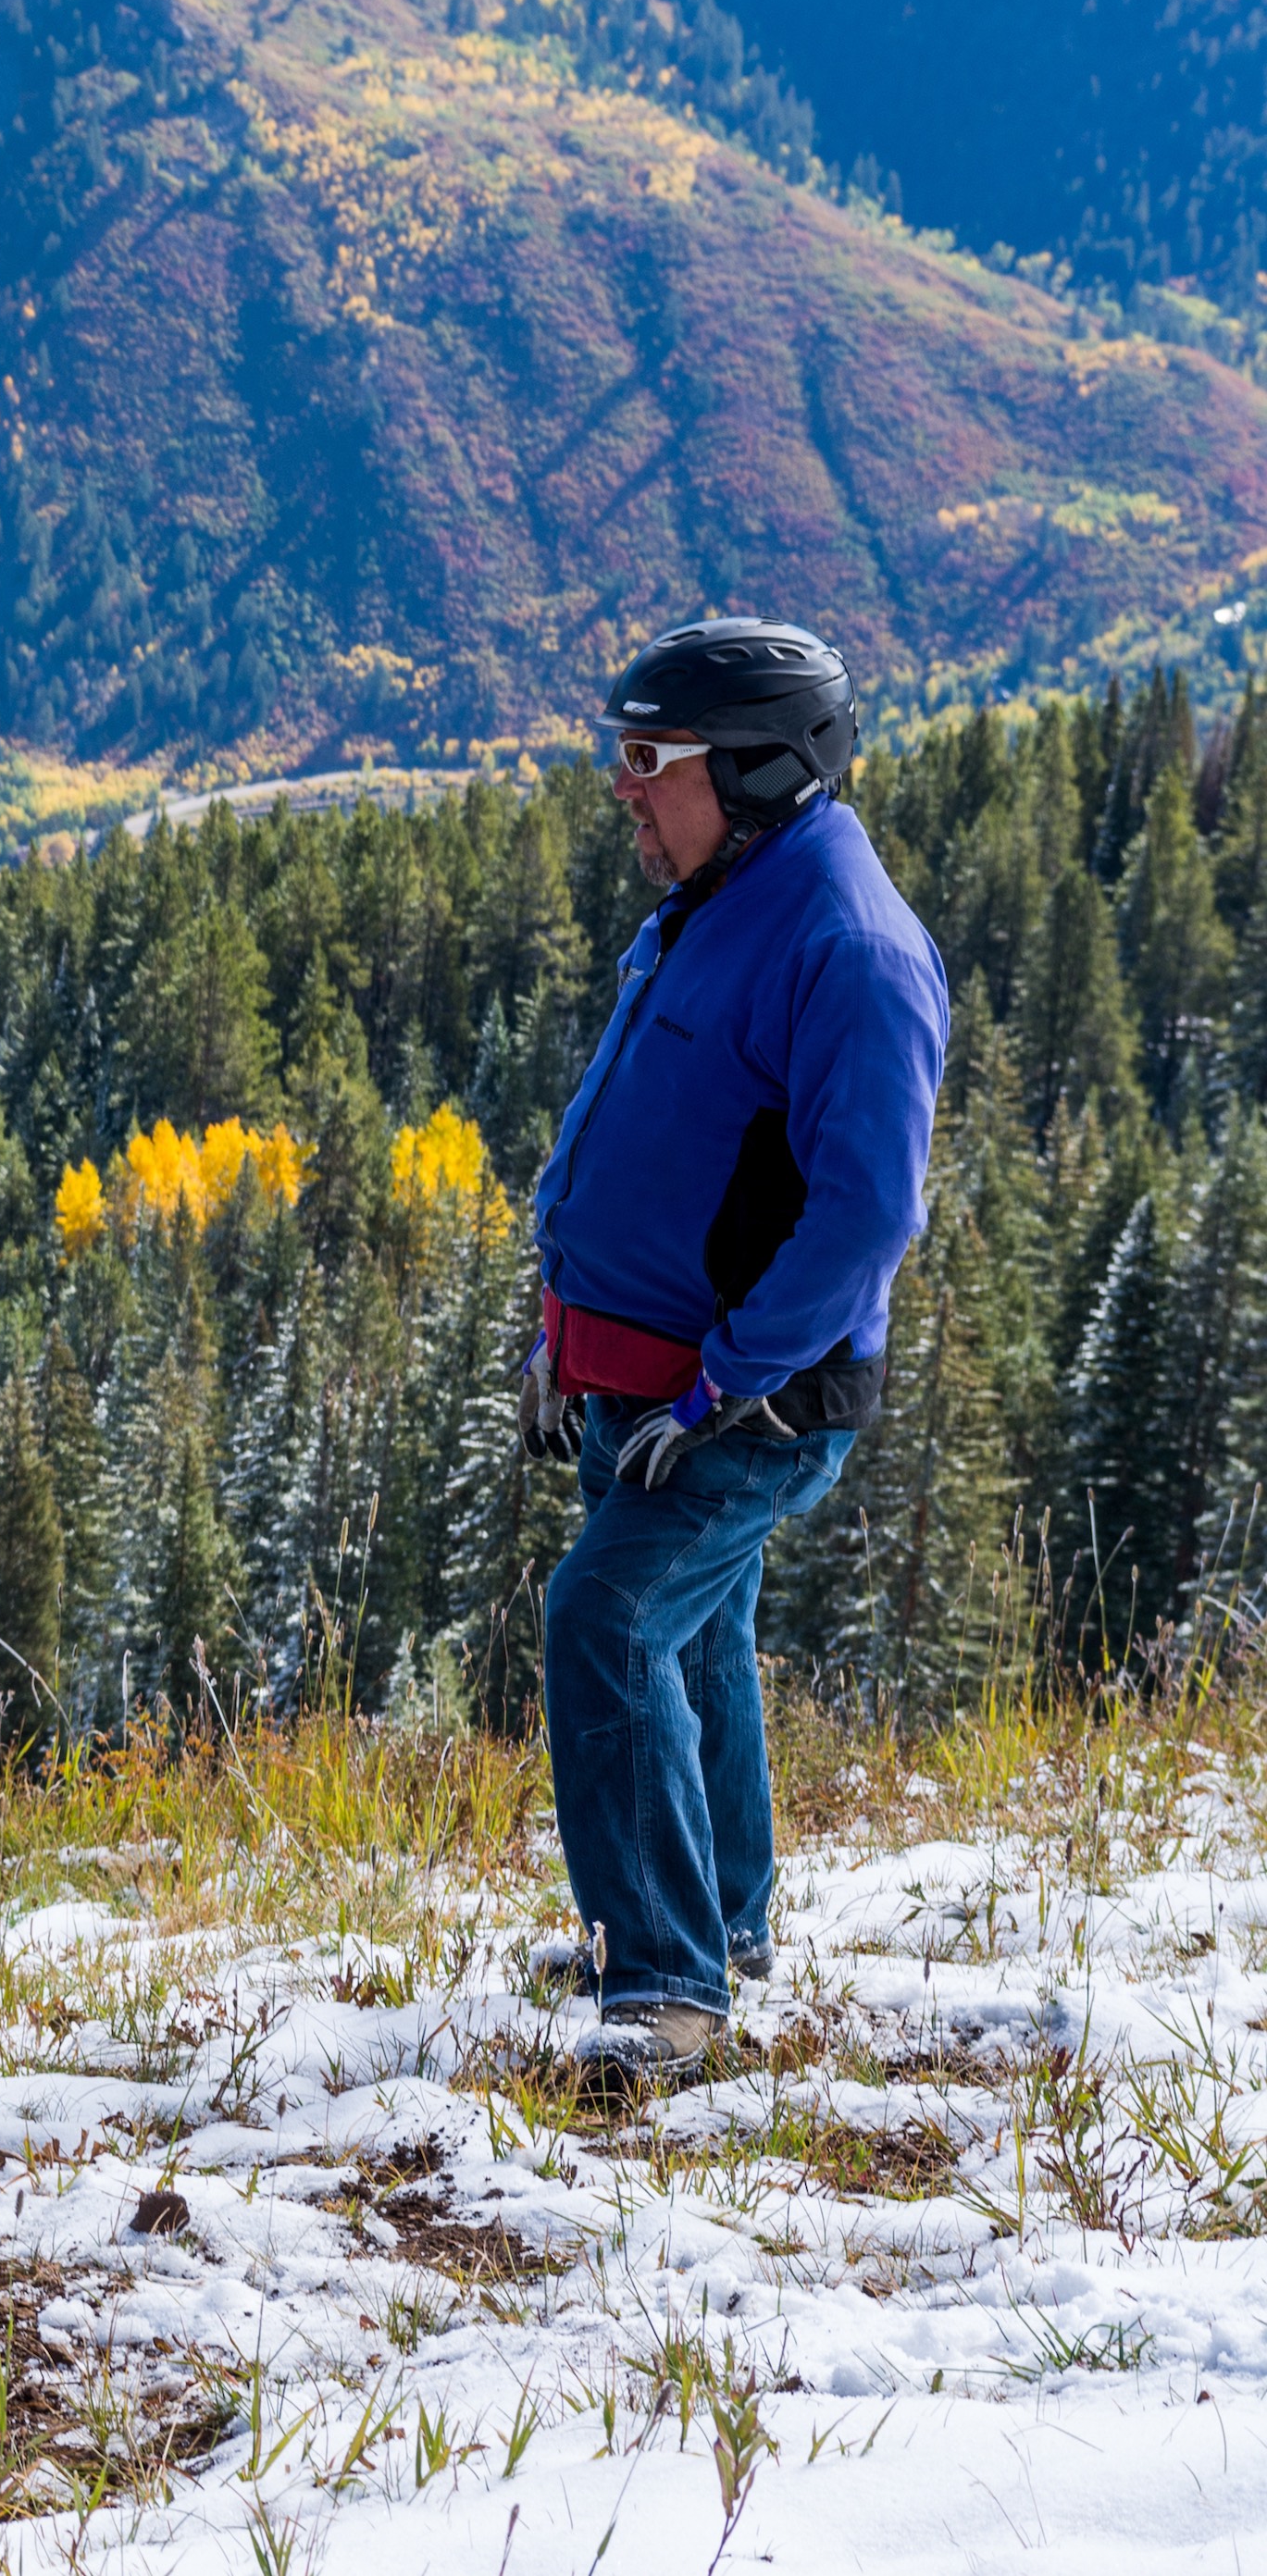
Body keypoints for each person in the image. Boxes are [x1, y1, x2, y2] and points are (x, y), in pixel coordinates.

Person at [520, 616, 946, 2085]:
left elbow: (867, 1213)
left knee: (607, 1618)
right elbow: (641, 1129)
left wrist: (725, 1383)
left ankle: (669, 1992)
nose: (623, 786)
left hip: (745, 1403)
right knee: (693, 1633)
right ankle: (728, 1921)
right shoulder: (718, 892)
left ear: (756, 768)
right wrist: (558, 1331)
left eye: (651, 758)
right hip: (639, 1379)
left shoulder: (850, 946)